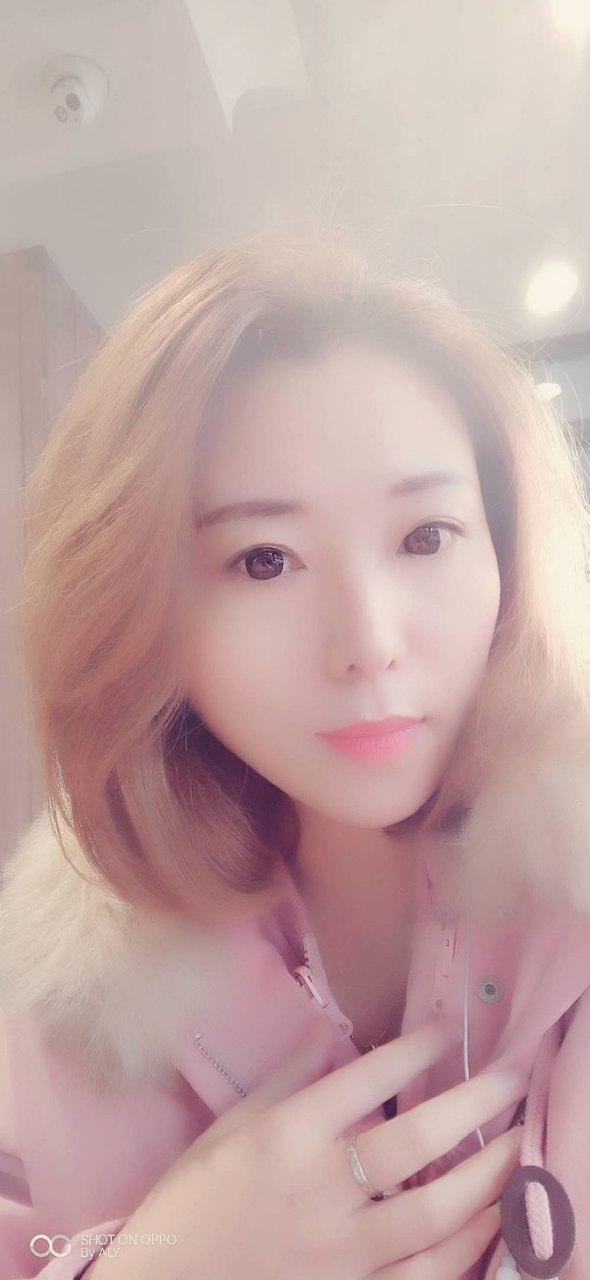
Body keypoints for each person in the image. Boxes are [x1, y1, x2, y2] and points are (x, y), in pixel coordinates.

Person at [0, 234, 588, 1280]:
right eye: (263, 559)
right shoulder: (55, 1005)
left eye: (425, 536)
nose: (366, 641)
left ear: (506, 551)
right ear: (140, 608)